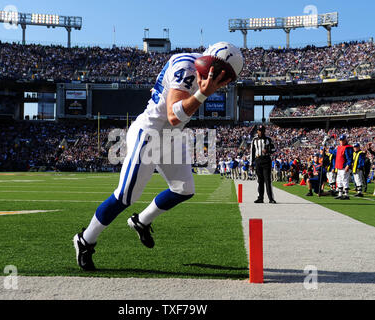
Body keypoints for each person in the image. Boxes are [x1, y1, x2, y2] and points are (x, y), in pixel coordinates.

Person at [73, 42, 244, 271]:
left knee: (184, 189)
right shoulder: (186, 66)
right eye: (218, 75)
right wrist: (203, 93)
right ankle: (85, 240)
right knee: (125, 196)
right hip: (150, 133)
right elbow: (173, 116)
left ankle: (141, 221)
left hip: (172, 137)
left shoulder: (196, 63)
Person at [250, 125, 276, 203]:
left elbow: (274, 149)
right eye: (259, 130)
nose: (260, 132)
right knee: (260, 180)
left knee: (267, 180)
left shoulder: (268, 139)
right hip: (258, 160)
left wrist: (268, 151)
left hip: (266, 160)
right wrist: (251, 163)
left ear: (264, 131)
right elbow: (252, 152)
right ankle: (260, 198)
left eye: (262, 130)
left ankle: (271, 198)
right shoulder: (254, 140)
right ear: (257, 131)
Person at [332, 135, 353, 200]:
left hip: (344, 167)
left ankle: (346, 195)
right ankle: (340, 194)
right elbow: (333, 153)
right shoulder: (339, 147)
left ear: (345, 140)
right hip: (339, 167)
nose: (341, 141)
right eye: (340, 140)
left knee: (345, 180)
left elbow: (349, 158)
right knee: (339, 180)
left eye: (342, 140)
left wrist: (348, 165)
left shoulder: (347, 147)